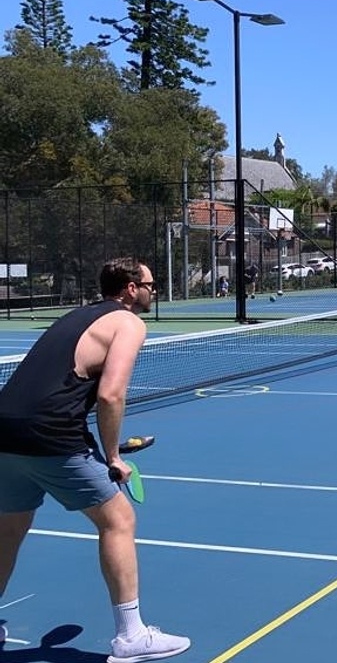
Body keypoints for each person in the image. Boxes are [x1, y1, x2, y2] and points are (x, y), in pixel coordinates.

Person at [0, 258, 190, 662]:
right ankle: (130, 636)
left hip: (5, 431)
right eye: (150, 285)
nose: (153, 292)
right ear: (128, 289)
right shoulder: (128, 323)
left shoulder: (78, 315)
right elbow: (110, 394)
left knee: (8, 531)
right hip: (52, 434)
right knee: (118, 521)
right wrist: (113, 455)